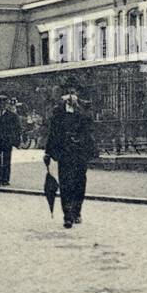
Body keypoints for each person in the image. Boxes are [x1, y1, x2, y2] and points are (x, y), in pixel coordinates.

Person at [44, 78, 97, 229]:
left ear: (78, 93)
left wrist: (78, 107)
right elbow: (53, 131)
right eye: (68, 91)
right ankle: (67, 215)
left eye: (73, 91)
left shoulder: (85, 106)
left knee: (79, 182)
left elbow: (89, 125)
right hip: (65, 151)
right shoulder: (58, 109)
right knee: (65, 183)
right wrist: (48, 152)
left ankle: (77, 211)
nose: (71, 94)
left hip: (80, 151)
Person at [0, 96, 20, 186]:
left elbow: (16, 128)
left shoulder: (12, 115)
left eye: (3, 103)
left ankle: (5, 179)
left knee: (6, 160)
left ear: (6, 104)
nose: (1, 105)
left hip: (7, 141)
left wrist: (13, 139)